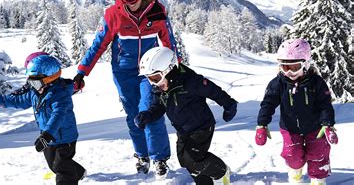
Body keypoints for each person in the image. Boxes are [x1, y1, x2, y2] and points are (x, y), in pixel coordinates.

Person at [72, 0, 178, 176]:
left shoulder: (157, 12)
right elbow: (98, 45)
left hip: (150, 71)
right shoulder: (115, 15)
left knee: (151, 111)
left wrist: (176, 71)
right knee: (133, 115)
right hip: (123, 72)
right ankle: (141, 154)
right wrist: (82, 72)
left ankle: (160, 158)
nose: (128, 2)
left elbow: (169, 44)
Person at [134, 47, 237, 185]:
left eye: (156, 78)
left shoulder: (191, 81)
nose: (154, 83)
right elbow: (158, 107)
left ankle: (221, 172)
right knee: (185, 160)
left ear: (169, 69)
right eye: (150, 79)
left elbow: (214, 91)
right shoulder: (160, 88)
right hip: (183, 129)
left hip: (202, 126)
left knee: (192, 158)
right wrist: (147, 116)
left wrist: (229, 105)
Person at [0, 55, 86, 185]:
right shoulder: (35, 93)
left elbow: (58, 116)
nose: (32, 86)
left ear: (50, 79)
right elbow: (19, 100)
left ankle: (70, 178)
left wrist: (47, 135)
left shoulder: (60, 95)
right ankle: (79, 172)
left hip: (65, 137)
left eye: (35, 82)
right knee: (54, 165)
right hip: (48, 137)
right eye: (30, 82)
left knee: (61, 168)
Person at [255, 38, 337, 185]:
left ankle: (318, 180)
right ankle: (295, 174)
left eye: (294, 67)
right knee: (293, 155)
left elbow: (325, 105)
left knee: (318, 153)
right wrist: (262, 124)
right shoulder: (278, 83)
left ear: (305, 64)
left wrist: (327, 124)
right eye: (285, 67)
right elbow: (268, 104)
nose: (290, 72)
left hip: (316, 128)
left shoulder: (316, 83)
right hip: (290, 128)